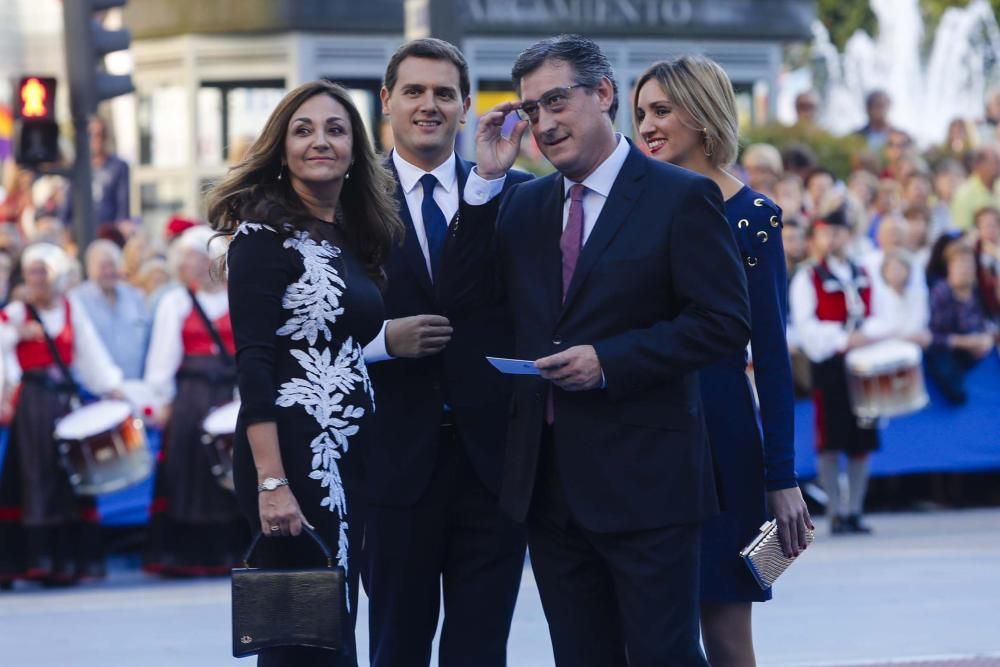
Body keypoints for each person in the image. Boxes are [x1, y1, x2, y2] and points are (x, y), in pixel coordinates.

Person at [466, 35, 752, 665]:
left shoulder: (681, 196)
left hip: (649, 485)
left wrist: (610, 361)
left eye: (557, 101)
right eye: (531, 110)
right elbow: (470, 305)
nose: (543, 122)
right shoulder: (522, 204)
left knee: (663, 655)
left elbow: (725, 322)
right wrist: (486, 179)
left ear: (603, 94)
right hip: (548, 489)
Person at [206, 79, 403, 666]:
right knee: (303, 636)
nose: (321, 141)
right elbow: (255, 365)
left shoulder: (352, 234)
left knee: (334, 621)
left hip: (355, 450)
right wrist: (273, 483)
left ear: (354, 148)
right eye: (304, 129)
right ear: (282, 147)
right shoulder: (262, 238)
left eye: (336, 130)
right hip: (292, 453)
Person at [633, 56, 811, 667]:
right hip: (642, 434)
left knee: (728, 635)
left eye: (662, 110)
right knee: (650, 630)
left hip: (724, 438)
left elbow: (772, 354)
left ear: (703, 113)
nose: (647, 126)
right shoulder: (629, 206)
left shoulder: (754, 218)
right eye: (640, 114)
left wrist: (781, 477)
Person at [361, 38, 530, 667]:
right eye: (414, 91)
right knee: (396, 647)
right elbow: (313, 333)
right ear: (387, 102)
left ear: (464, 106)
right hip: (393, 465)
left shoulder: (515, 191)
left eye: (443, 93)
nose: (428, 105)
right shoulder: (346, 199)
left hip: (492, 468)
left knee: (482, 650)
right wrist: (383, 344)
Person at [0, 243, 123, 587]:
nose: (37, 280)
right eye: (31, 273)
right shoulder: (16, 312)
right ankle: (35, 559)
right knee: (35, 477)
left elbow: (90, 353)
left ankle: (63, 561)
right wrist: (13, 335)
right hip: (32, 408)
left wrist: (112, 387)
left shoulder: (72, 309)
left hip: (63, 405)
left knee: (66, 478)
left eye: (43, 273)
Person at [142, 225, 246, 576]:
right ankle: (191, 554)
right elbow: (163, 354)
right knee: (191, 471)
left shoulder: (238, 294)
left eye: (200, 258)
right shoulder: (176, 301)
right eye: (188, 259)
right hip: (191, 395)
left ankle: (232, 549)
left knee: (233, 470)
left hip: (231, 391)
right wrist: (162, 398)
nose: (194, 266)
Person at [789, 206, 879, 535]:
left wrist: (867, 336)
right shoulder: (808, 277)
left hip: (862, 365)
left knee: (862, 439)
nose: (832, 239)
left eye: (838, 232)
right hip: (830, 364)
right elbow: (806, 326)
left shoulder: (863, 272)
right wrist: (843, 339)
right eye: (826, 232)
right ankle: (837, 511)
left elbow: (877, 312)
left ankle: (855, 509)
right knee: (830, 439)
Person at [926, 243, 996, 404]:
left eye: (969, 264)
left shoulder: (978, 291)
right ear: (950, 267)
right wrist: (967, 342)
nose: (965, 269)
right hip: (946, 349)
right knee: (956, 393)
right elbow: (933, 337)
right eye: (960, 264)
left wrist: (985, 338)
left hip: (975, 345)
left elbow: (986, 321)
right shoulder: (941, 292)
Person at [71, 239, 151, 380]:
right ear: (90, 268)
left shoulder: (135, 296)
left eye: (112, 265)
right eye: (103, 266)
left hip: (135, 385)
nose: (109, 272)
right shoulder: (76, 300)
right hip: (94, 391)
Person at [88, 117, 130, 230]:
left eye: (99, 135)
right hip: (81, 231)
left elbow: (123, 203)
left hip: (108, 230)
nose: (95, 140)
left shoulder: (118, 166)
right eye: (91, 135)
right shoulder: (79, 169)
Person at [951, 144, 1000, 231]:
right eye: (996, 162)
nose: (999, 166)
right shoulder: (963, 194)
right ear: (980, 165)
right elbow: (963, 232)